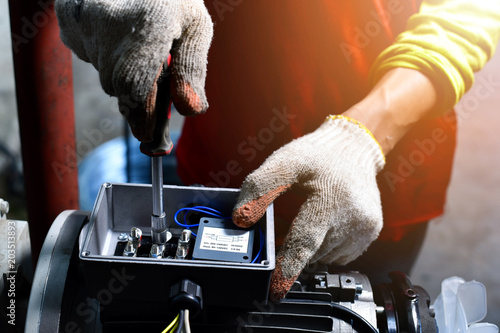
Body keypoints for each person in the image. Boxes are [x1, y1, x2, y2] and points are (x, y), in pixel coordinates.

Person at [55, 0, 500, 301]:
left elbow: (465, 14)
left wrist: (363, 136)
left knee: (363, 301)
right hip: (224, 159)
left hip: (375, 176)